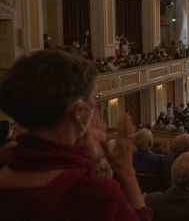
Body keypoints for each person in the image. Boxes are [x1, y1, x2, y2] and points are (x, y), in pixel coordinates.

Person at [0, 50, 152, 220]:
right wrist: (126, 172)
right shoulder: (92, 193)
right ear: (79, 111)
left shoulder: (5, 169)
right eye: (94, 102)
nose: (95, 113)